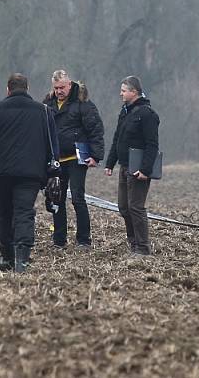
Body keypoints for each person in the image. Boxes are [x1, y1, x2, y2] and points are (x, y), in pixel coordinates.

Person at [0, 73, 58, 273]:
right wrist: (53, 168)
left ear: (8, 89)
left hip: (0, 173)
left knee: (4, 212)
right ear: (27, 88)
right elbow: (52, 144)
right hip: (30, 173)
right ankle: (22, 258)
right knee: (24, 212)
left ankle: (6, 256)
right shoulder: (43, 111)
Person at [42, 69, 104, 249]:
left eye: (62, 87)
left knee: (78, 198)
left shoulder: (83, 103)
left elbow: (96, 130)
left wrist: (95, 155)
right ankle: (59, 240)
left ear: (70, 85)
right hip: (56, 160)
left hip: (77, 159)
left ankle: (83, 240)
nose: (59, 91)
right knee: (56, 199)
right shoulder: (47, 104)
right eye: (56, 88)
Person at [104, 76, 160, 257]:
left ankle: (143, 248)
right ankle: (133, 243)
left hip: (138, 169)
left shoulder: (147, 114)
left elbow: (152, 145)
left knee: (136, 207)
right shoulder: (125, 112)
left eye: (123, 90)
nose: (120, 93)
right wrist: (110, 162)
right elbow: (117, 139)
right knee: (123, 207)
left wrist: (145, 170)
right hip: (124, 166)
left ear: (134, 92)